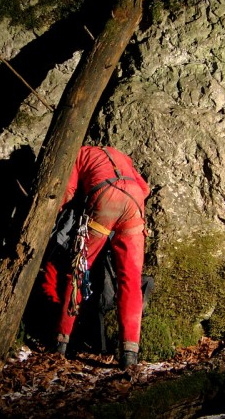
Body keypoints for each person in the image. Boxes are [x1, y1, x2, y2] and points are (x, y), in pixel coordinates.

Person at [40, 145, 150, 369]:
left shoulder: (79, 153)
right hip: (134, 203)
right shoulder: (121, 155)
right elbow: (145, 188)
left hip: (105, 199)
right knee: (130, 280)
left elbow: (67, 192)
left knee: (79, 270)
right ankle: (129, 353)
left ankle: (61, 341)